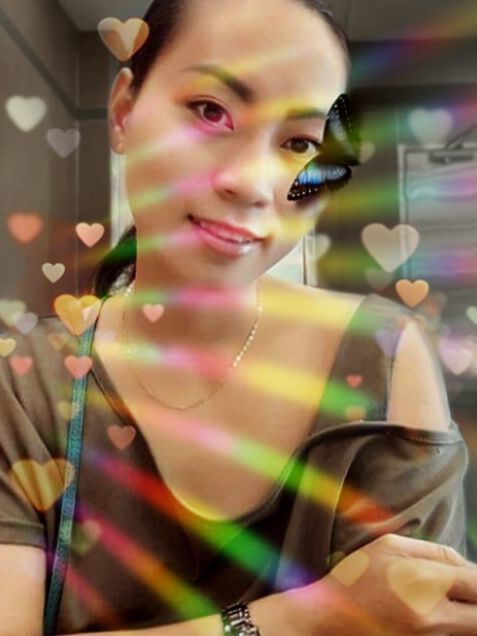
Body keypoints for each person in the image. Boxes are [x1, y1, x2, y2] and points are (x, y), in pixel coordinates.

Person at [0, 0, 476, 634]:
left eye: (300, 143)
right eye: (210, 110)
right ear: (123, 111)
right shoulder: (27, 386)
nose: (252, 183)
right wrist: (312, 616)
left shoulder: (382, 355)